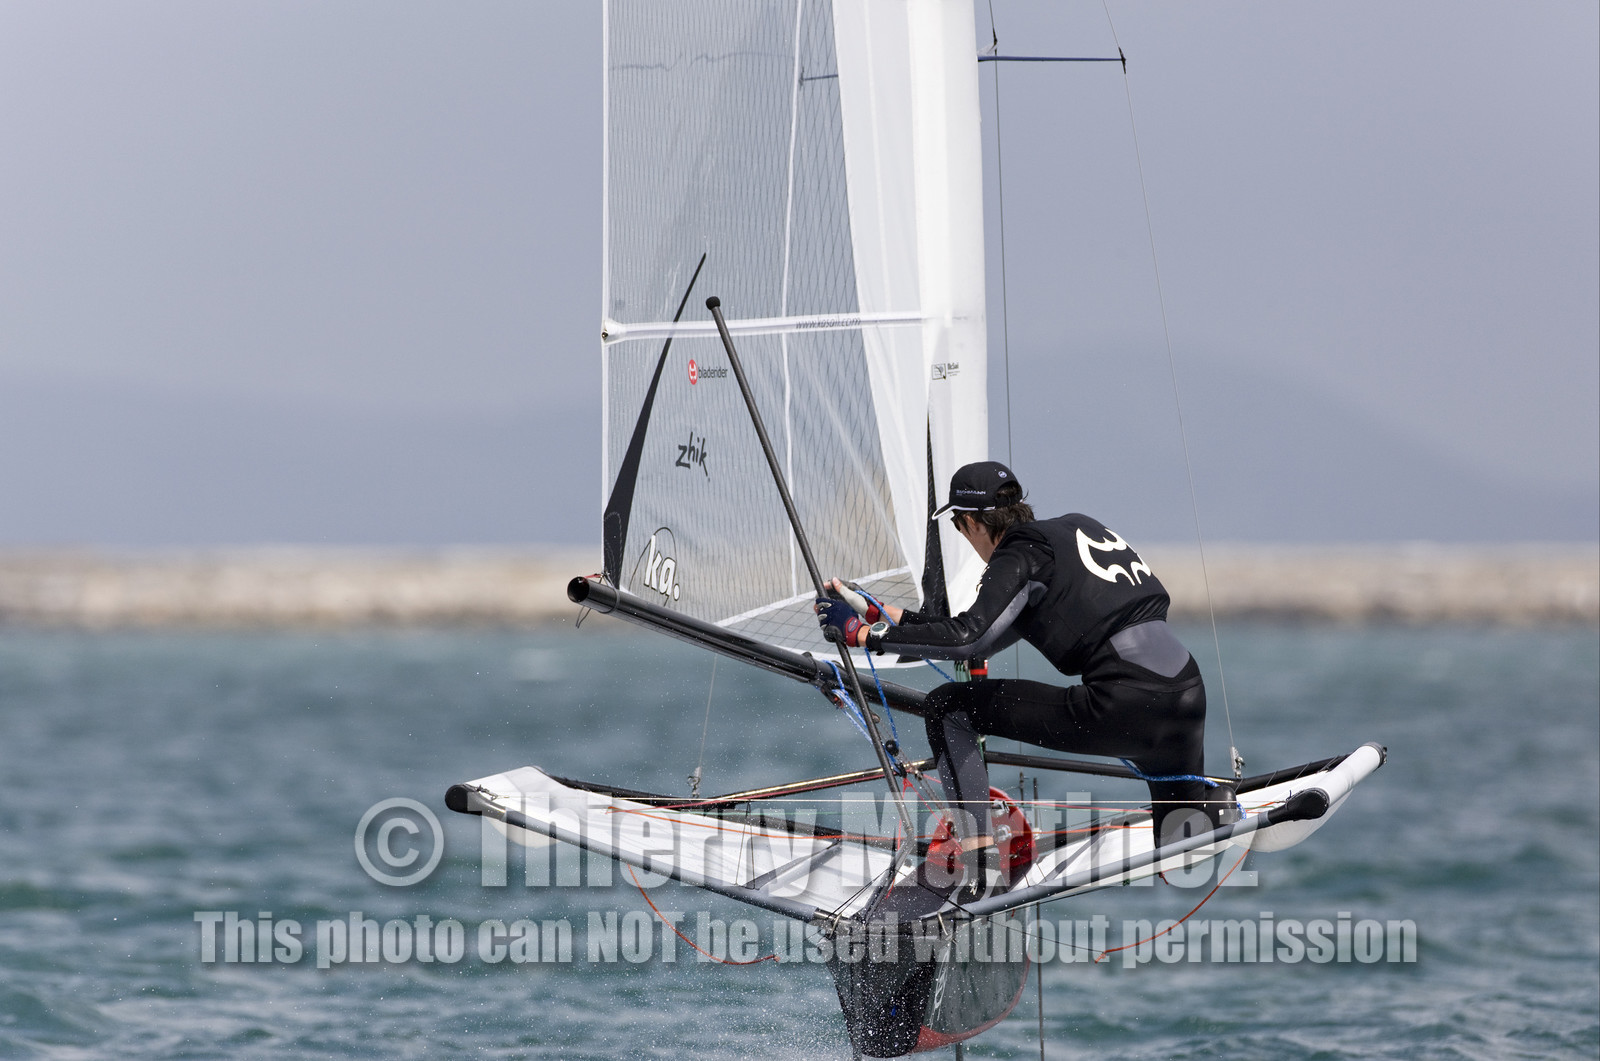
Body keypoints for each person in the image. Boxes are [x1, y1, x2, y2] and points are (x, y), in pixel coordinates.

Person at [815, 461, 1233, 900]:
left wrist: (863, 636)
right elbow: (979, 637)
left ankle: (977, 862)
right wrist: (881, 614)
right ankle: (1211, 814)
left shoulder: (1019, 553)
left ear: (972, 523)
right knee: (1182, 843)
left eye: (958, 527)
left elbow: (967, 639)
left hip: (1124, 705)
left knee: (948, 708)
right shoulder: (1074, 530)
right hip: (1187, 697)